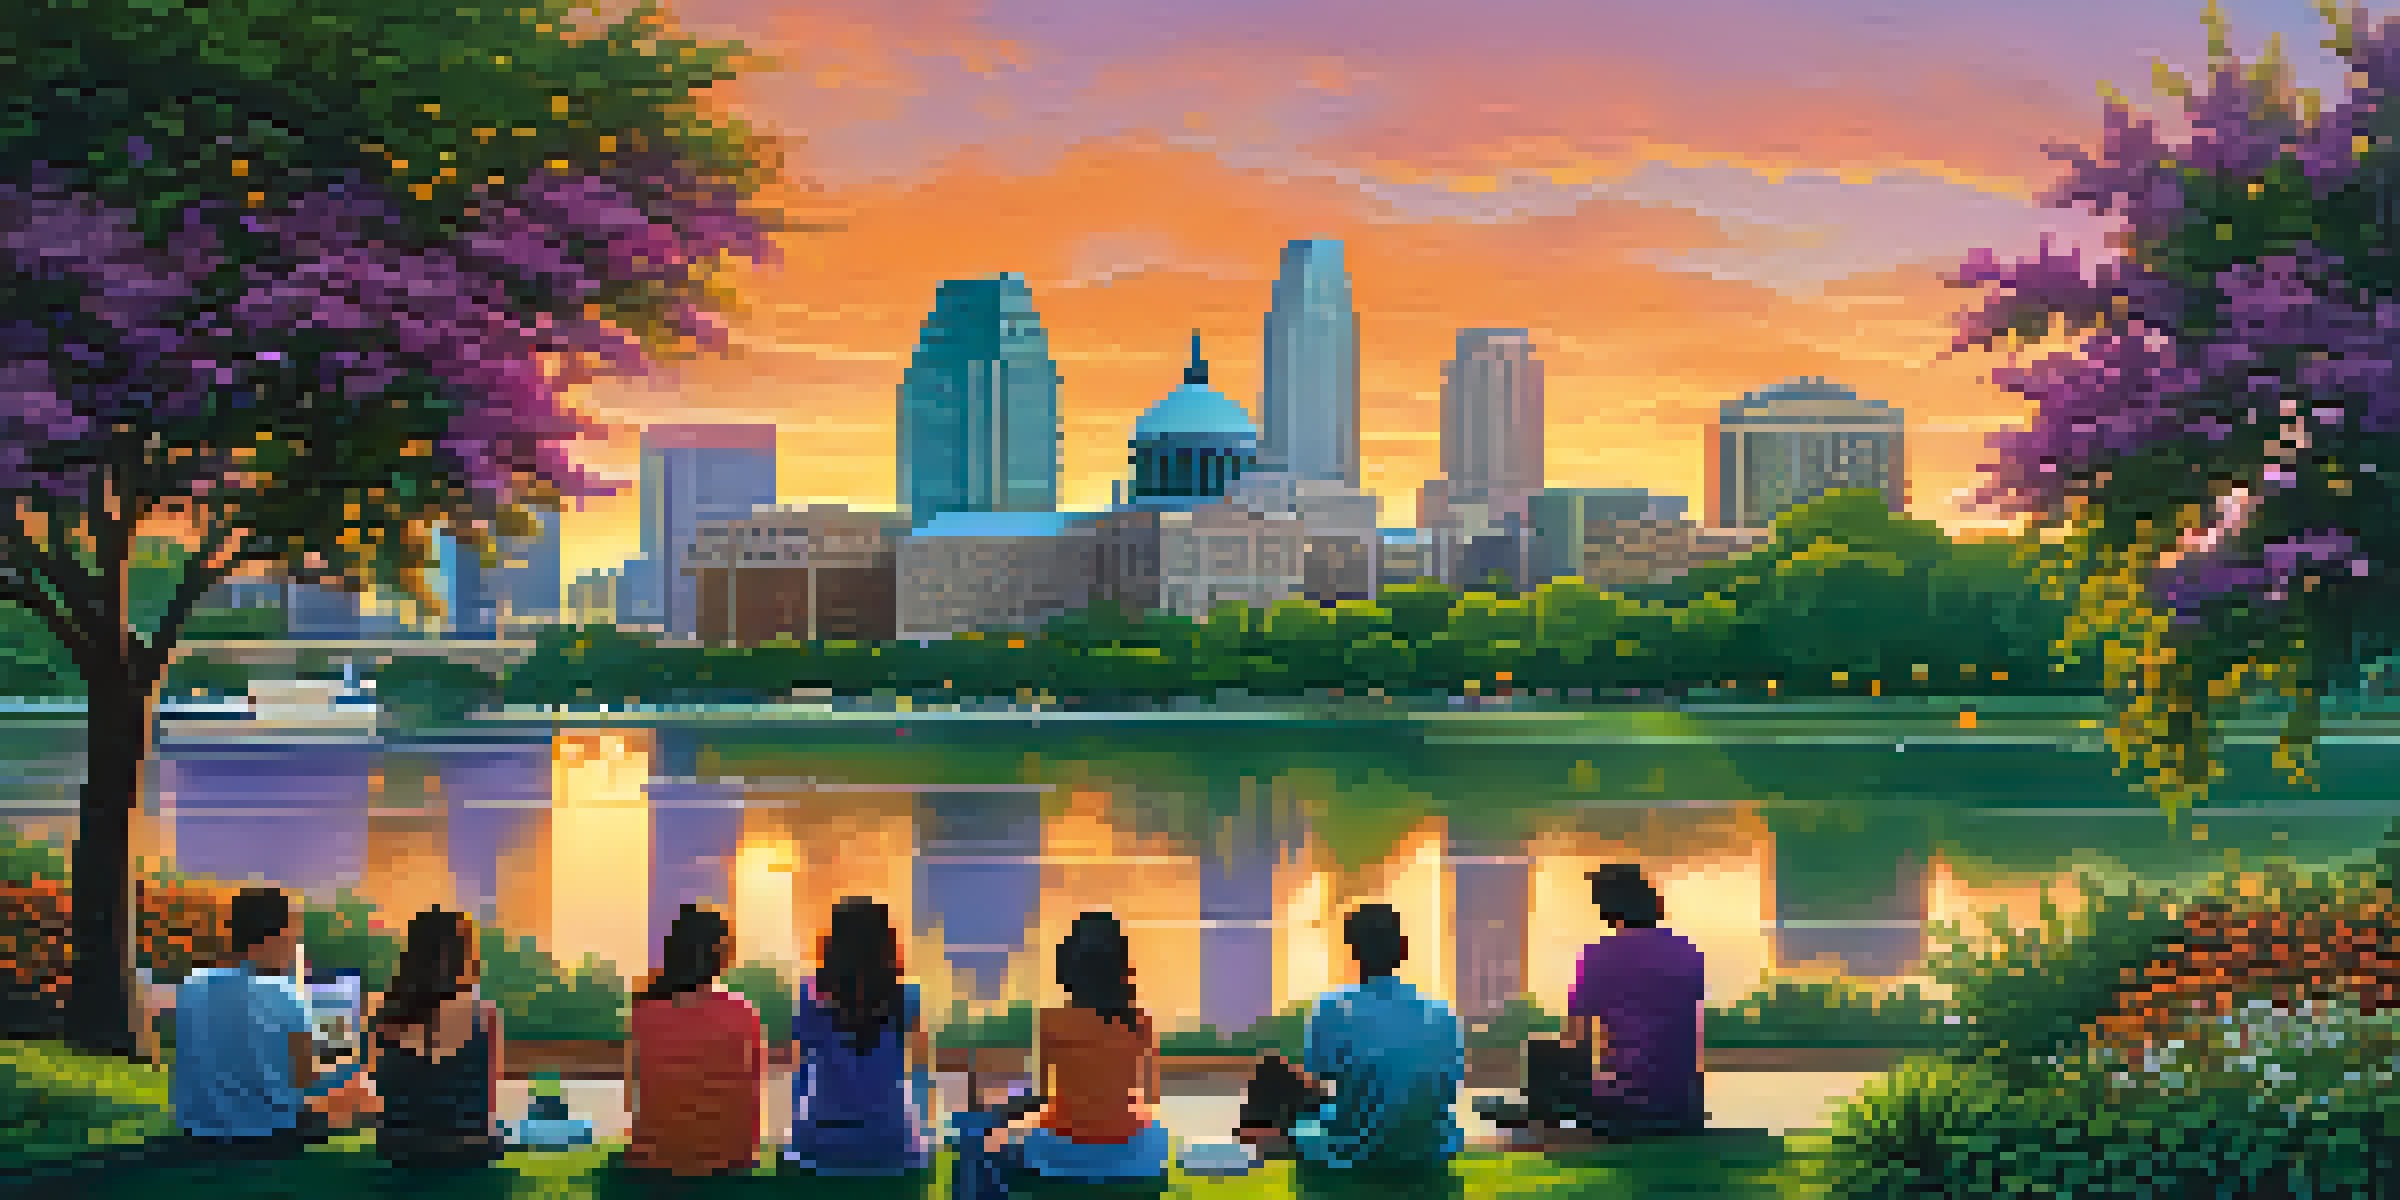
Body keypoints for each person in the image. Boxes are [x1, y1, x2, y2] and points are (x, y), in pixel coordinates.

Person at [1251, 903, 1465, 1170]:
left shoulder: (1332, 1008)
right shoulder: (1443, 1015)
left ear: (1354, 951)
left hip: (1356, 1148)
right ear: (1403, 949)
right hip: (1428, 1147)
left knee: (1272, 1074)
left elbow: (1321, 1077)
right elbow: (1448, 1088)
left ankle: (1253, 1146)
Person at [169, 886, 375, 1157]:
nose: (296, 946)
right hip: (268, 1135)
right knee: (363, 1091)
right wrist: (349, 1063)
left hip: (196, 1129)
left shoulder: (191, 986)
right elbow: (308, 1082)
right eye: (293, 937)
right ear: (279, 936)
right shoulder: (286, 995)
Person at [987, 911, 1170, 1182]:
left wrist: (1008, 1112)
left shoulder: (1051, 1021)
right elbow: (1151, 1096)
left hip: (1064, 1151)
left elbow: (1041, 1096)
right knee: (1153, 1128)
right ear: (1120, 966)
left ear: (1069, 965)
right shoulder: (1140, 1022)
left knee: (992, 1140)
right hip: (1128, 1152)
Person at [785, 896, 932, 1175]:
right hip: (890, 1141)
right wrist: (920, 1135)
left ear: (834, 942)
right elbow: (920, 1075)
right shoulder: (907, 996)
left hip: (826, 1142)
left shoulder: (810, 995)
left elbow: (801, 1074)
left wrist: (796, 1134)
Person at [1560, 864, 1707, 1134]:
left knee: (1526, 1092)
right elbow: (1691, 1030)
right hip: (1681, 1103)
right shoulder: (1687, 951)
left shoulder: (1599, 956)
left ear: (1608, 907)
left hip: (1624, 1101)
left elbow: (1575, 1041)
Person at [623, 903, 764, 1177]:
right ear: (721, 957)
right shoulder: (743, 1014)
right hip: (729, 1160)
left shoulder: (643, 1011)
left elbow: (638, 1097)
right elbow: (750, 1098)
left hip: (658, 1159)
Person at [363, 906, 505, 1168]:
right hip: (468, 1148)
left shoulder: (384, 1014)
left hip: (400, 1147)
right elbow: (488, 1103)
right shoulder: (485, 1013)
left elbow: (380, 1086)